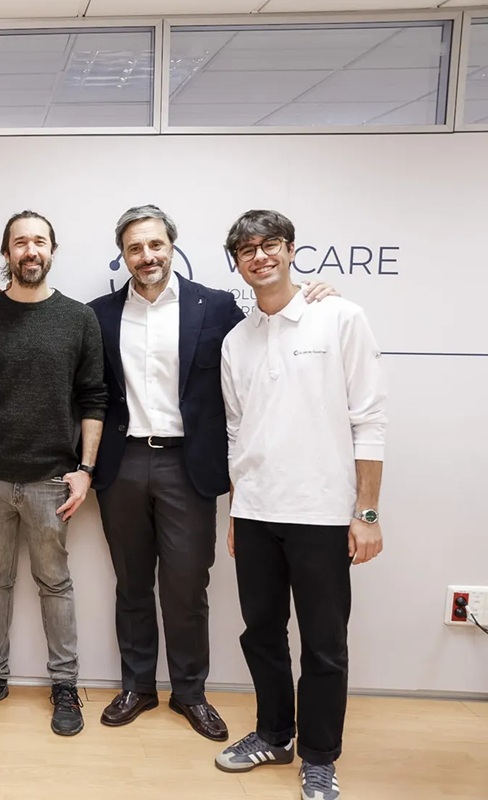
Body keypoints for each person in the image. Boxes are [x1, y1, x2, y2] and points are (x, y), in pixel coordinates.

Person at [89, 205, 338, 741]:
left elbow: (271, 327)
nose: (147, 256)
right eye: (135, 248)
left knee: (185, 584)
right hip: (123, 462)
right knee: (131, 583)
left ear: (173, 246)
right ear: (124, 255)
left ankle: (189, 692)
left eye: (156, 245)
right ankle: (136, 685)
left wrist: (319, 296)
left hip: (190, 466)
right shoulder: (100, 314)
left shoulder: (219, 305)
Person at [215, 210, 386, 800]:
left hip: (321, 514)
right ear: (236, 261)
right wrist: (237, 512)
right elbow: (238, 435)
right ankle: (273, 734)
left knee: (323, 643)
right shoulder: (236, 340)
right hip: (257, 513)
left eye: (270, 245)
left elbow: (370, 420)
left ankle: (318, 757)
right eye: (246, 250)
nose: (259, 256)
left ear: (291, 250)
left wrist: (366, 513)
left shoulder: (339, 316)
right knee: (261, 633)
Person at [0, 210, 108, 736]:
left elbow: (93, 398)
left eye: (39, 241)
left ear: (52, 250)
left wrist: (86, 468)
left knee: (55, 583)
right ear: (7, 254)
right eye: (20, 242)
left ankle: (65, 686)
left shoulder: (79, 319)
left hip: (52, 480)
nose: (30, 251)